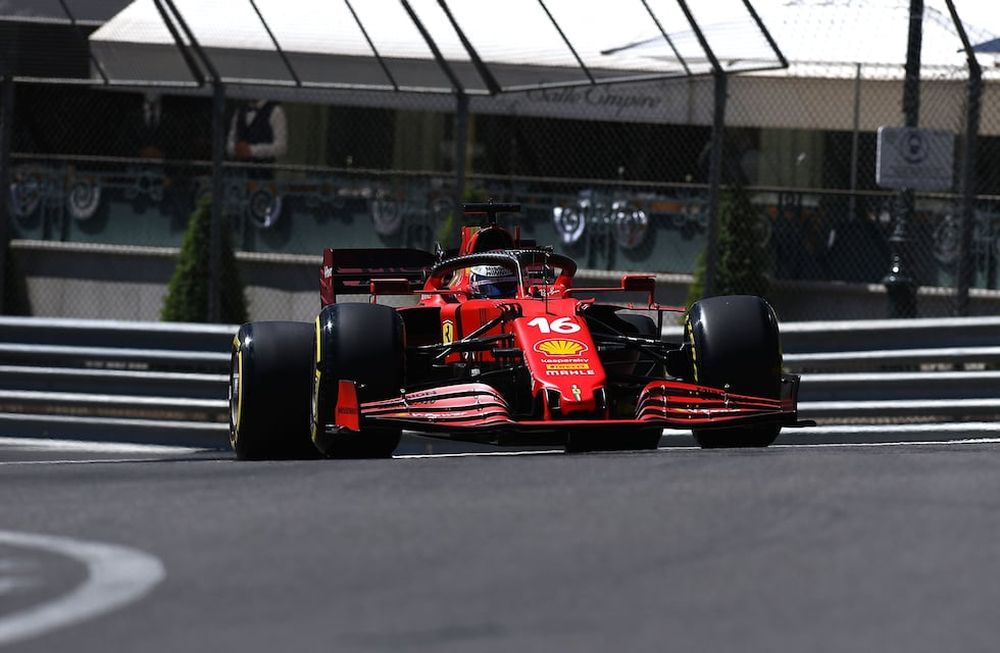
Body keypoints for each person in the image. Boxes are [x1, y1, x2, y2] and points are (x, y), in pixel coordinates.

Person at [226, 99, 287, 178]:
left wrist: (251, 150)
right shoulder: (240, 111)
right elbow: (230, 141)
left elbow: (281, 147)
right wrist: (235, 149)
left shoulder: (276, 111)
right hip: (238, 173)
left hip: (263, 172)